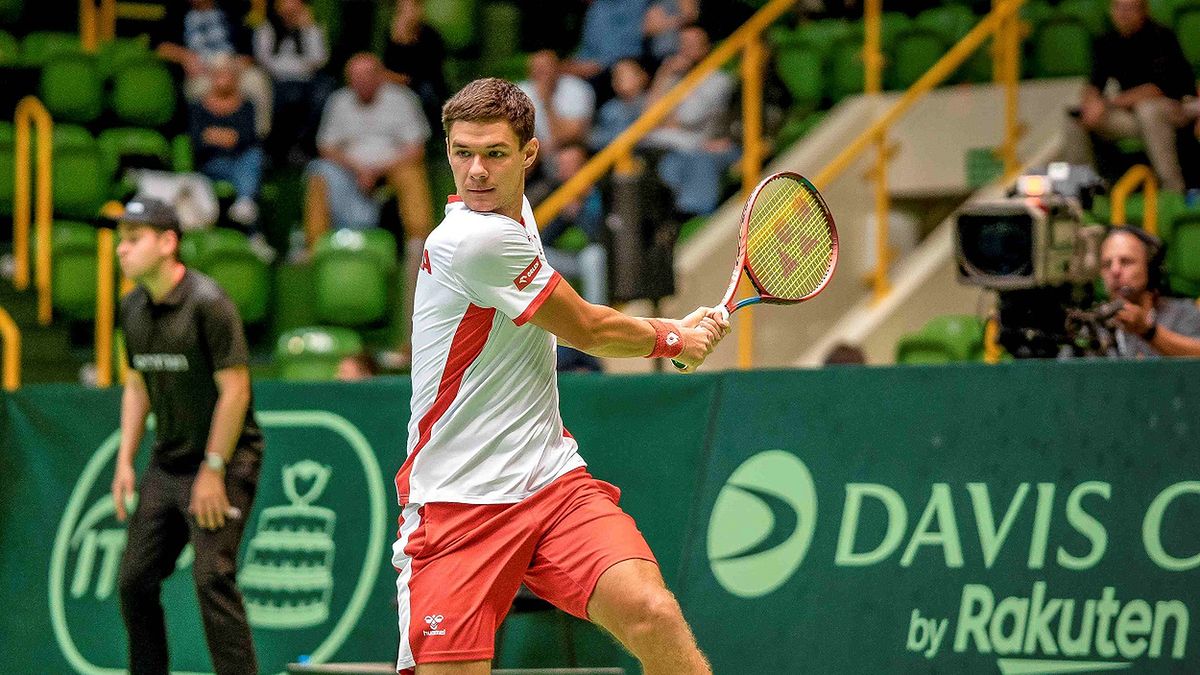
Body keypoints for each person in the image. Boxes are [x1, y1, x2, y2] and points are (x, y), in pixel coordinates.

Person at [392, 77, 727, 675]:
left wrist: (673, 331)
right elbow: (586, 329)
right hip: (458, 503)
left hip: (550, 483)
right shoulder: (473, 239)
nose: (475, 171)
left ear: (529, 154)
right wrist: (672, 337)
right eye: (462, 153)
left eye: (494, 154)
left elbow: (568, 323)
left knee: (652, 612)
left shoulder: (513, 213)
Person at [109, 196, 264, 675]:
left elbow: (236, 390)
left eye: (133, 239)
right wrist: (125, 460)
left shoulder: (208, 303)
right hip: (168, 461)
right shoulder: (130, 307)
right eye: (120, 241)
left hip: (226, 459)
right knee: (134, 581)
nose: (121, 250)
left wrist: (214, 469)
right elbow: (137, 385)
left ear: (167, 243)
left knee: (211, 577)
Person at [1063, 0, 1198, 193]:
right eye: (1118, 7)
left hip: (1175, 109)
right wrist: (1090, 105)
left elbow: (1156, 89)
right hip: (1132, 116)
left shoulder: (1161, 36)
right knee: (1074, 117)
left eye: (1129, 8)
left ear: (1143, 11)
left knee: (1148, 110)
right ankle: (1083, 192)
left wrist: (1107, 103)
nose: (1123, 14)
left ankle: (1173, 188)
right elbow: (1094, 83)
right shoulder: (1106, 41)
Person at [644, 25, 738, 216]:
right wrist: (663, 74)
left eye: (693, 44)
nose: (686, 49)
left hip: (691, 149)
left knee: (681, 167)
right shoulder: (673, 78)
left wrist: (663, 120)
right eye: (683, 44)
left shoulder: (718, 80)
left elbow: (688, 117)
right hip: (658, 148)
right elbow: (647, 118)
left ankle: (690, 215)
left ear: (706, 47)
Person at [188, 55, 273, 260]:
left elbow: (247, 138)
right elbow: (198, 142)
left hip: (242, 162)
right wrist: (229, 138)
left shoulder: (247, 105)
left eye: (227, 74)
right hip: (212, 165)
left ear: (236, 77)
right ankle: (252, 227)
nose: (223, 79)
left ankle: (245, 205)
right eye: (219, 74)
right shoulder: (198, 106)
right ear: (211, 77)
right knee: (246, 172)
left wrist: (215, 135)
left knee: (253, 157)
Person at [156, 0, 275, 137]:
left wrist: (235, 68)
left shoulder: (233, 9)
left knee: (257, 81)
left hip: (232, 64)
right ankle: (203, 140)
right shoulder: (176, 12)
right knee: (197, 88)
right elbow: (160, 46)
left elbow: (248, 52)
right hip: (201, 68)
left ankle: (259, 139)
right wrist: (184, 56)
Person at [253, 0, 333, 165]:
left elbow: (319, 59)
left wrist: (308, 29)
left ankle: (304, 145)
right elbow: (265, 60)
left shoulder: (311, 28)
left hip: (309, 80)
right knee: (291, 95)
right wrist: (300, 68)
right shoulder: (267, 28)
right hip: (278, 79)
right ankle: (280, 148)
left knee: (324, 94)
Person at [1100, 225, 1200, 357]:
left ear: (1151, 268)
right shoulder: (1093, 326)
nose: (1114, 271)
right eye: (1107, 264)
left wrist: (1148, 331)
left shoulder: (1184, 314)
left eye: (1126, 262)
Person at [517, 49, 596, 174]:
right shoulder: (520, 92)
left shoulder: (577, 89)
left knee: (570, 157)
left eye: (546, 68)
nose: (542, 74)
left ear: (557, 68)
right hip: (537, 150)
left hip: (567, 150)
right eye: (538, 69)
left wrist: (547, 102)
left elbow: (571, 136)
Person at [382, 0, 450, 140]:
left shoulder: (431, 35)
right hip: (392, 82)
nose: (408, 13)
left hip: (424, 85)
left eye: (411, 8)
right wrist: (398, 40)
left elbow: (425, 71)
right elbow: (382, 64)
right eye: (402, 10)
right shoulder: (388, 34)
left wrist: (406, 41)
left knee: (424, 94)